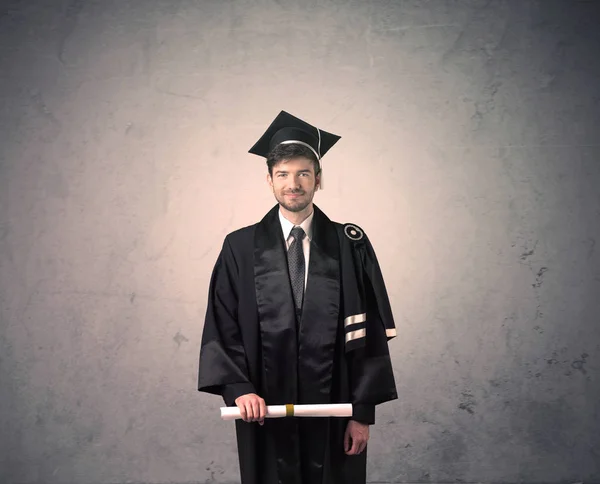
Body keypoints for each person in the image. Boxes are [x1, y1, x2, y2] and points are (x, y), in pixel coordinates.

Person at [197, 111, 397, 484]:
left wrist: (361, 412)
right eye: (284, 174)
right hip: (263, 407)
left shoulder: (350, 244)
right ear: (269, 180)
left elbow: (370, 336)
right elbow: (221, 324)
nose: (294, 184)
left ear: (318, 180)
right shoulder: (239, 247)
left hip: (336, 407)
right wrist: (239, 389)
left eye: (304, 173)